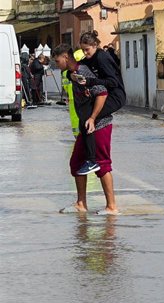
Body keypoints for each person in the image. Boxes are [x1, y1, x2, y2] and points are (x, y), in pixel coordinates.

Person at [53, 44, 119, 216]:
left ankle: (112, 207)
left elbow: (102, 93)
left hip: (100, 124)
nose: (56, 64)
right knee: (76, 162)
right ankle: (81, 204)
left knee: (102, 164)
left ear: (66, 57)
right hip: (86, 127)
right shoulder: (71, 73)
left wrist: (92, 117)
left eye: (57, 60)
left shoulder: (84, 71)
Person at [75, 30, 126, 175]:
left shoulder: (102, 58)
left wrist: (91, 81)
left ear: (95, 45)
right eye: (83, 50)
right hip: (109, 94)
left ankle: (92, 161)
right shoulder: (89, 58)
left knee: (88, 117)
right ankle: (89, 157)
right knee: (84, 118)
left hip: (116, 96)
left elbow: (112, 82)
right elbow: (80, 65)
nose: (85, 53)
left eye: (87, 50)